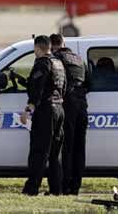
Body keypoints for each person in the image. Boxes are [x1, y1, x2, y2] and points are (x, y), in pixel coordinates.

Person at [21, 35, 66, 196]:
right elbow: (62, 87)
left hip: (46, 111)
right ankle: (56, 190)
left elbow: (38, 88)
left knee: (39, 152)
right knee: (54, 155)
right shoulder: (58, 63)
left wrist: (29, 109)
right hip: (59, 109)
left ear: (37, 48)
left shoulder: (42, 62)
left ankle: (31, 189)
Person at [49, 33, 88, 195]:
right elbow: (89, 83)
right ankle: (75, 187)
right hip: (82, 105)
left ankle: (64, 186)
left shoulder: (56, 60)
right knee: (80, 148)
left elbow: (54, 82)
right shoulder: (79, 59)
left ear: (52, 46)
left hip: (68, 106)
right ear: (64, 43)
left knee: (66, 147)